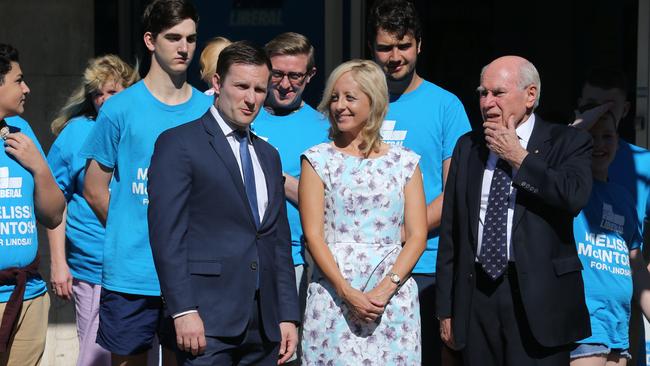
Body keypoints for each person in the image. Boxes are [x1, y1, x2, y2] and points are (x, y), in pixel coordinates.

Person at [148, 40, 300, 365]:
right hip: (206, 319)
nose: (251, 99)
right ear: (217, 84)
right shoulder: (179, 144)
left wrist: (288, 314)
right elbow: (167, 237)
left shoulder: (269, 156)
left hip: (265, 323)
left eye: (260, 89)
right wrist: (183, 309)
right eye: (241, 86)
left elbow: (277, 242)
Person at [436, 55, 593, 365]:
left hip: (539, 300)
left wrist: (519, 158)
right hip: (478, 296)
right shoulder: (468, 147)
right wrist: (446, 309)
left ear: (530, 95)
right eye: (482, 93)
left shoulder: (567, 141)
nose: (487, 102)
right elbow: (452, 232)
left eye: (498, 93)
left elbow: (573, 196)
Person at [80, 0, 212, 364]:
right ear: (151, 40)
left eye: (190, 38)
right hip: (130, 272)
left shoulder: (206, 111)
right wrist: (134, 228)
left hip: (188, 275)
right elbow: (93, 188)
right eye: (174, 38)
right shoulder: (119, 108)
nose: (184, 47)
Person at [299, 59, 427, 365]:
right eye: (334, 97)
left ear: (374, 101)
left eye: (350, 97)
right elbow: (314, 236)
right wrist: (347, 291)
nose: (339, 106)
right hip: (333, 294)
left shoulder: (405, 162)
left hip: (391, 299)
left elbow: (418, 235)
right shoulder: (317, 160)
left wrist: (385, 289)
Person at [366, 1, 472, 363]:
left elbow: (455, 191)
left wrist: (401, 235)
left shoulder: (447, 106)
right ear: (372, 49)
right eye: (384, 47)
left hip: (425, 266)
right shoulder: (357, 102)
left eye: (403, 46)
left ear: (419, 45)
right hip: (363, 266)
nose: (394, 56)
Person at [46, 54, 139, 366]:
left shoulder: (143, 128)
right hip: (91, 267)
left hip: (140, 265)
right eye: (97, 93)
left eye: (112, 91)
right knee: (95, 356)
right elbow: (53, 204)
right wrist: (59, 263)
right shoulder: (75, 133)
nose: (103, 100)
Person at [251, 32, 329, 362]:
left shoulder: (325, 128)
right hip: (245, 259)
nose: (284, 84)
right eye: (277, 74)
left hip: (299, 261)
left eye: (295, 76)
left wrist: (273, 173)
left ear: (310, 76)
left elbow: (329, 203)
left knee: (292, 355)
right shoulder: (244, 114)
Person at [0, 43, 65, 366]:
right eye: (18, 80)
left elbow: (54, 214)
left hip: (29, 296)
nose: (27, 88)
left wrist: (38, 166)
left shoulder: (21, 131)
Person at [570, 111, 650, 366]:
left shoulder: (624, 197)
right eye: (591, 137)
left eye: (607, 136)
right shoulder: (570, 188)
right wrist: (601, 108)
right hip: (585, 322)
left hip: (618, 326)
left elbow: (636, 265)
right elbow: (565, 141)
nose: (600, 144)